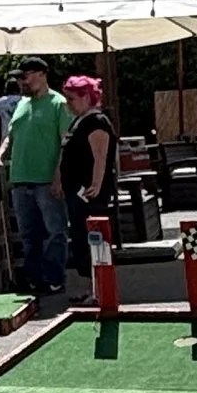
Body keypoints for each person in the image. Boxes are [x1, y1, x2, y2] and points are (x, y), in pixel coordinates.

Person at [0, 60, 72, 300]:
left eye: (26, 76)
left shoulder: (58, 103)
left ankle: (54, 278)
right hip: (20, 178)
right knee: (29, 234)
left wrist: (58, 177)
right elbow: (10, 136)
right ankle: (34, 279)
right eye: (19, 78)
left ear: (42, 74)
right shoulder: (21, 104)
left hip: (46, 180)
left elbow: (65, 143)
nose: (21, 82)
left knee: (55, 231)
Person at [60, 75, 118, 287]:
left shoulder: (97, 122)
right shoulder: (79, 121)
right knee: (80, 241)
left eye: (71, 99)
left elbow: (100, 157)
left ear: (86, 97)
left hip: (90, 195)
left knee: (94, 241)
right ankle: (93, 289)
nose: (68, 104)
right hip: (75, 192)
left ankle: (101, 290)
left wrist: (95, 184)